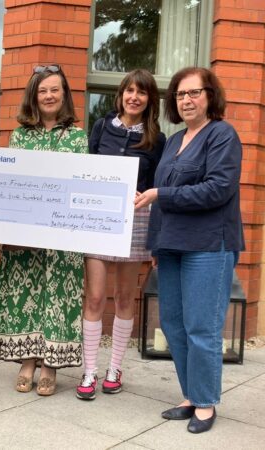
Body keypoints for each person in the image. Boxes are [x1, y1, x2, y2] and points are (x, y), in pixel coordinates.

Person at [135, 67, 244, 434]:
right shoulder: (174, 140)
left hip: (209, 246)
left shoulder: (222, 135)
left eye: (194, 93)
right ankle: (191, 394)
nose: (187, 100)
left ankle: (206, 402)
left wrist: (161, 195)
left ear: (210, 95)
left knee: (202, 328)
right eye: (181, 95)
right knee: (174, 325)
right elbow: (159, 198)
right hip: (171, 246)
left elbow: (218, 189)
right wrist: (155, 243)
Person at [0, 64, 87, 396]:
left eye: (55, 90)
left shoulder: (77, 136)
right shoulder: (20, 136)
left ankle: (50, 364)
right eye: (43, 90)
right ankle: (27, 360)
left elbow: (81, 185)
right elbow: (11, 185)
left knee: (57, 296)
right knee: (26, 293)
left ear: (64, 95)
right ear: (34, 95)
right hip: (25, 235)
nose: (49, 96)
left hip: (62, 236)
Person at [76, 69, 166, 401]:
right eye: (129, 91)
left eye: (141, 92)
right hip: (98, 218)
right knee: (96, 298)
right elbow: (84, 171)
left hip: (137, 220)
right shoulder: (101, 127)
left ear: (149, 100)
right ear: (121, 95)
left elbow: (157, 189)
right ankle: (89, 370)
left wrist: (156, 235)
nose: (134, 97)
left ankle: (115, 367)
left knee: (125, 298)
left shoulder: (158, 139)